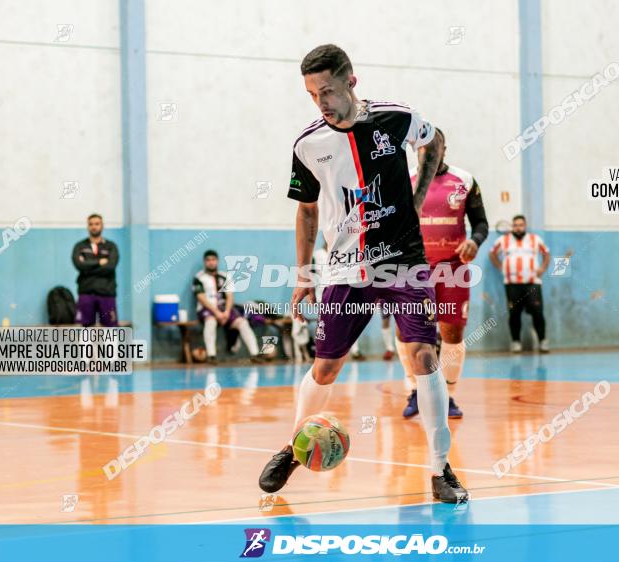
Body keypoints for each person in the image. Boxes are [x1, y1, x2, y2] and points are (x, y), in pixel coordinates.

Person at [258, 44, 467, 502]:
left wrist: (417, 195)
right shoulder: (308, 144)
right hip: (345, 268)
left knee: (423, 357)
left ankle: (439, 469)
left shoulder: (396, 118)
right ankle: (295, 448)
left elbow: (435, 139)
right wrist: (303, 274)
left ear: (351, 82)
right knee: (326, 366)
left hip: (403, 261)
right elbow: (306, 211)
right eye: (313, 95)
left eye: (328, 90)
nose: (322, 102)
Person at [398, 128, 489, 419]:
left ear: (444, 149)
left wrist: (474, 241)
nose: (429, 153)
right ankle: (415, 391)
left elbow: (481, 224)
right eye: (422, 149)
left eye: (435, 148)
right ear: (416, 151)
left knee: (452, 331)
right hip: (412, 269)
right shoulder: (404, 180)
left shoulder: (465, 181)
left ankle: (447, 396)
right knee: (407, 331)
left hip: (452, 268)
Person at [489, 215, 550, 352]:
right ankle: (516, 342)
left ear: (525, 225)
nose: (518, 227)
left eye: (521, 225)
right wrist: (501, 267)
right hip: (512, 284)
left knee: (537, 313)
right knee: (514, 314)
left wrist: (543, 268)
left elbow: (546, 253)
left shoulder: (536, 240)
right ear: (512, 226)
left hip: (533, 283)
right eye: (515, 225)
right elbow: (492, 254)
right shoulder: (503, 240)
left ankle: (543, 341)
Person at [192, 249, 263, 363]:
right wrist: (216, 313)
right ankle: (211, 356)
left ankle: (255, 354)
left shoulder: (225, 276)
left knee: (242, 322)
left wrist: (226, 312)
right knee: (211, 322)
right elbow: (201, 297)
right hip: (207, 309)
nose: (211, 262)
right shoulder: (199, 278)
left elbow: (230, 296)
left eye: (213, 260)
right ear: (205, 262)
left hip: (224, 309)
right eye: (208, 260)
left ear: (217, 261)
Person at [72, 214, 119, 327]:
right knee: (86, 329)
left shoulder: (111, 246)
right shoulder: (80, 246)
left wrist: (87, 266)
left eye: (97, 224)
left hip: (107, 293)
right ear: (88, 227)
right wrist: (99, 262)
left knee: (110, 329)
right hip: (86, 293)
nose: (94, 227)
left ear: (102, 226)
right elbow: (79, 265)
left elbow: (110, 267)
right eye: (91, 224)